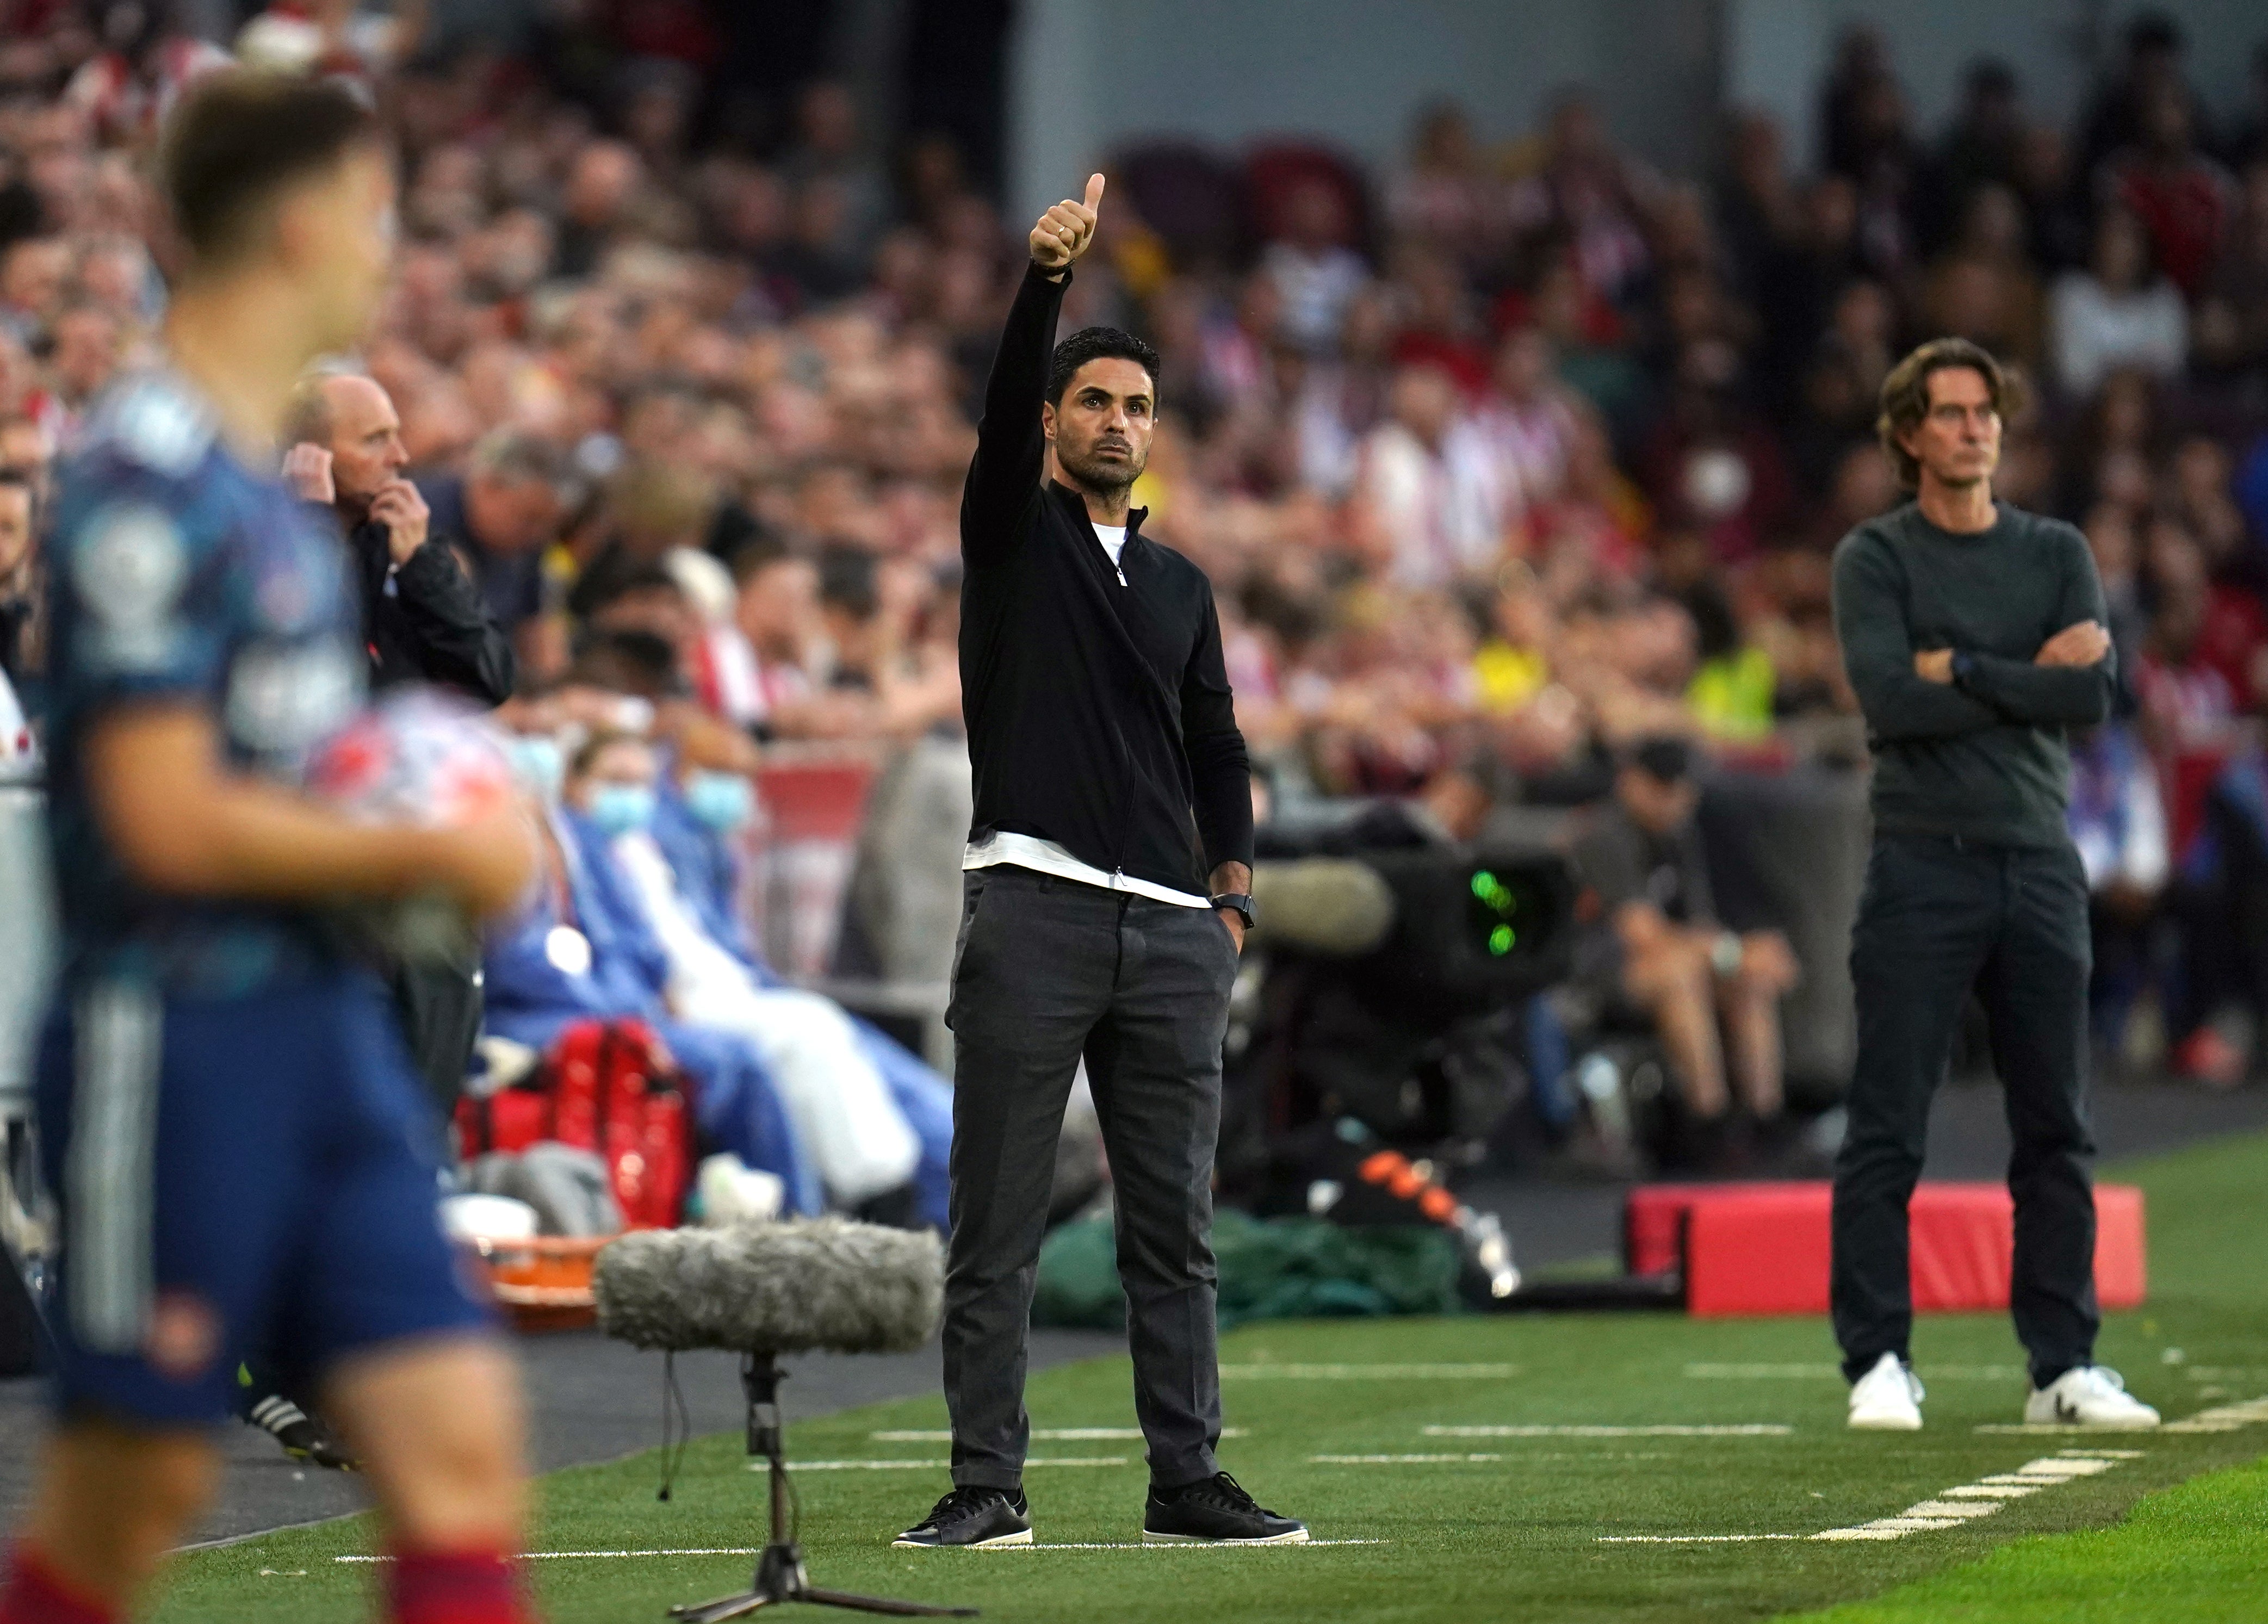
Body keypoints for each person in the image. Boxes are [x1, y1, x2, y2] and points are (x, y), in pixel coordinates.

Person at [1, 72, 544, 1624]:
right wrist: (435, 848)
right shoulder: (143, 479)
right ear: (304, 225)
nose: (389, 248)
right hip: (174, 1032)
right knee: (138, 1490)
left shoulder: (264, 488)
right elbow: (163, 815)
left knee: (457, 1449)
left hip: (322, 1022)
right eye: (378, 214)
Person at [898, 175, 1304, 1552]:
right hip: (1032, 905)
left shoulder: (1183, 583)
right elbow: (1006, 399)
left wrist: (1231, 890)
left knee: (1174, 1235)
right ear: (1057, 426)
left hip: (1174, 930)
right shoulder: (1010, 538)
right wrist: (1044, 285)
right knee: (995, 1222)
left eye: (1135, 406)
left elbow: (1217, 738)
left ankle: (1187, 1479)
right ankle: (985, 1484)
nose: (1115, 423)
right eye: (1093, 404)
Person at [1829, 337, 2158, 1434]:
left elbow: (2093, 696)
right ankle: (1878, 1357)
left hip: (2039, 859)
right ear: (1909, 433)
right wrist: (2026, 675)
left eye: (1986, 411)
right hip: (1922, 858)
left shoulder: (2057, 549)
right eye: (1950, 412)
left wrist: (1960, 666)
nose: (1973, 428)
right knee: (1889, 1123)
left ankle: (2063, 1364)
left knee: (2057, 1124)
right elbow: (1890, 700)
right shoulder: (1874, 558)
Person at [1569, 736, 1801, 1170]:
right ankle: (1706, 1121)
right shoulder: (1603, 835)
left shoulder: (1680, 837)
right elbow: (1642, 934)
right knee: (1681, 974)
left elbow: (1699, 927)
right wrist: (1732, 953)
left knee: (1747, 978)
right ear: (1632, 782)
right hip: (1598, 973)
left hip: (1671, 960)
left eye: (1678, 790)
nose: (1670, 801)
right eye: (1660, 787)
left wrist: (1743, 957)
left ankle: (1761, 1122)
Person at [283, 368, 516, 704]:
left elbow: (490, 680)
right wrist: (311, 534)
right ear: (309, 455)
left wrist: (423, 565)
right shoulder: (262, 540)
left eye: (396, 435)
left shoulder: (401, 540)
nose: (400, 457)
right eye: (375, 440)